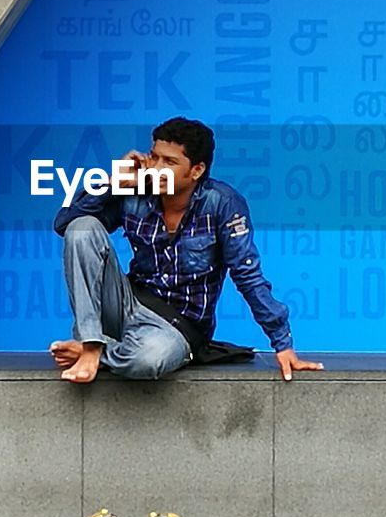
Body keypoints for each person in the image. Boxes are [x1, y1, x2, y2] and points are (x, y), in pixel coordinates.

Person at [50, 116, 323, 383]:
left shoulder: (222, 204)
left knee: (148, 360)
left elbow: (247, 274)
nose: (156, 168)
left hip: (177, 327)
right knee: (83, 227)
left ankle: (101, 352)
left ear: (196, 170)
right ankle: (91, 345)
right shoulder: (134, 192)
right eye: (154, 157)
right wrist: (114, 181)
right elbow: (66, 225)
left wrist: (282, 343)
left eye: (169, 162)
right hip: (127, 304)